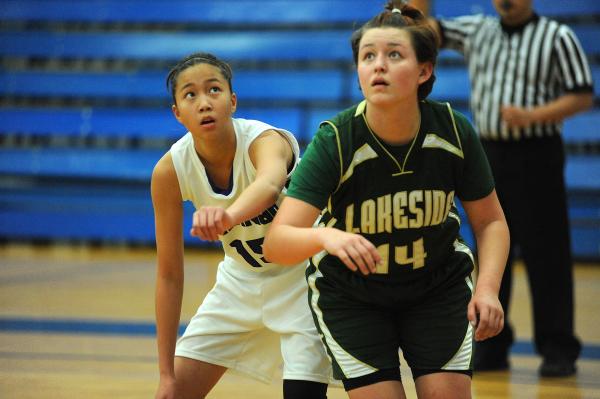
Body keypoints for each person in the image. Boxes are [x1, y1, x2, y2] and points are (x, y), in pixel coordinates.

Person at [263, 2, 510, 398]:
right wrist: (328, 238)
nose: (379, 65)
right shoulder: (337, 139)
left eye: (394, 55)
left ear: (424, 70)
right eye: (368, 56)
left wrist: (487, 289)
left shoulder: (453, 132)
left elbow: (491, 221)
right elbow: (277, 241)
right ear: (359, 71)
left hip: (437, 288)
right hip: (354, 297)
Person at [412, 0, 595, 377]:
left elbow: (582, 95)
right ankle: (491, 344)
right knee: (491, 247)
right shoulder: (477, 29)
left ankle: (558, 346)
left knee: (549, 252)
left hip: (538, 151)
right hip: (490, 151)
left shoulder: (557, 36)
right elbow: (421, 28)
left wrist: (534, 116)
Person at [151, 52, 331, 399]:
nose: (204, 102)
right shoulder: (169, 171)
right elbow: (169, 275)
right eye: (190, 95)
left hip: (303, 279)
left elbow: (269, 184)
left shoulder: (263, 140)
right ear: (177, 112)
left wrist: (227, 216)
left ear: (232, 101)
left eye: (214, 90)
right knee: (175, 393)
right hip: (240, 281)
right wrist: (165, 374)